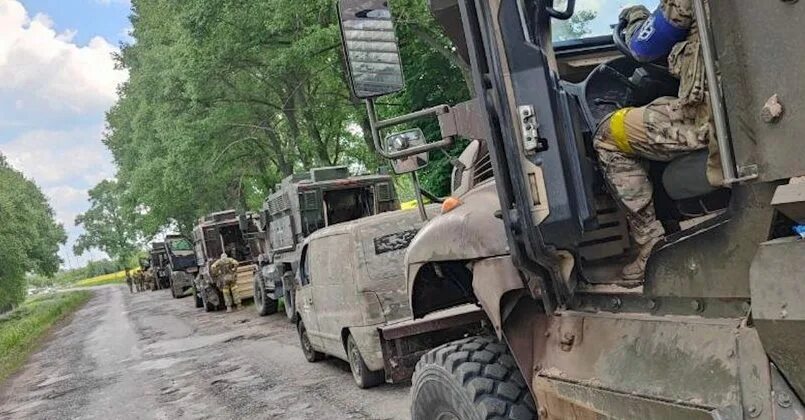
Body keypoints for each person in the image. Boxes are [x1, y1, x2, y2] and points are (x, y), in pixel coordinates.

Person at [593, 0, 722, 282]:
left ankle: (651, 244)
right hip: (752, 115)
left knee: (609, 134)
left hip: (712, 123)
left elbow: (644, 46)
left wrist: (634, 14)